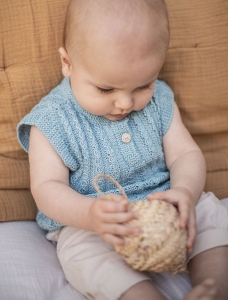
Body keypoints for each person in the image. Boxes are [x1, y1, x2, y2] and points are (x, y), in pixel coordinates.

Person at [17, 0, 228, 299]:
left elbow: (185, 154)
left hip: (163, 205)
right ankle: (142, 295)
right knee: (82, 253)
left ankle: (215, 286)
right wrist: (89, 215)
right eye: (106, 89)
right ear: (68, 63)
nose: (125, 104)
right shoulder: (52, 121)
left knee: (208, 210)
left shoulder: (160, 100)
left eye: (143, 85)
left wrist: (184, 192)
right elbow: (46, 187)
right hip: (95, 221)